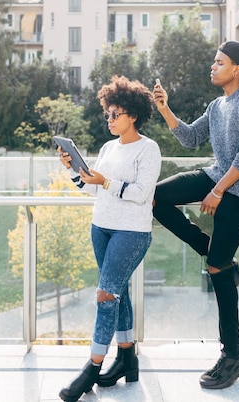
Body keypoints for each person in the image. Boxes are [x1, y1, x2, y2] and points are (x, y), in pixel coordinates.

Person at [152, 40, 239, 390]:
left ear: (236, 68)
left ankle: (232, 355)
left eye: (219, 62)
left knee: (218, 268)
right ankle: (206, 245)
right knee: (156, 197)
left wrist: (219, 190)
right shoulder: (217, 104)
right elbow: (190, 138)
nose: (213, 66)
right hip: (217, 175)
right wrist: (164, 108)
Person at [58, 75, 161, 402]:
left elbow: (143, 194)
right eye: (108, 114)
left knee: (105, 295)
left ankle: (91, 368)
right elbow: (91, 187)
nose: (110, 119)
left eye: (115, 114)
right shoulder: (107, 147)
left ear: (132, 115)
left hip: (132, 233)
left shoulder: (148, 149)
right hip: (101, 227)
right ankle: (127, 360)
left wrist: (106, 182)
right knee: (118, 293)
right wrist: (75, 170)